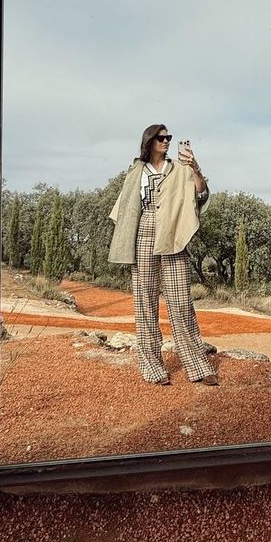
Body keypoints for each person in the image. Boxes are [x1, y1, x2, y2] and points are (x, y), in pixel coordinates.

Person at [108, 124, 218, 386]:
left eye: (169, 137)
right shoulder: (136, 171)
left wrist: (195, 167)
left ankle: (197, 366)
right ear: (149, 141)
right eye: (161, 137)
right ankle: (152, 367)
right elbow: (124, 209)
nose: (167, 141)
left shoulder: (180, 169)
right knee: (145, 302)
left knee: (181, 302)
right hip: (143, 234)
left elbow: (201, 194)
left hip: (172, 234)